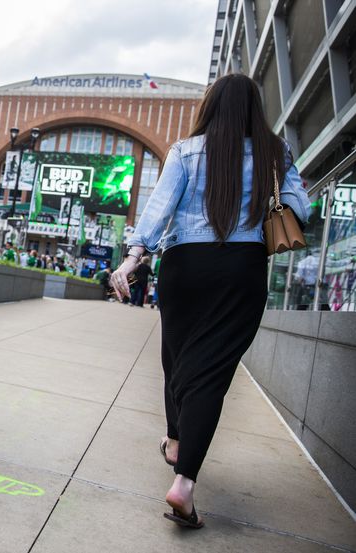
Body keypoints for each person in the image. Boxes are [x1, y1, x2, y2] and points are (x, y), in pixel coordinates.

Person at [110, 73, 311, 529]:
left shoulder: (185, 149)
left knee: (178, 357)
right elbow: (301, 209)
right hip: (242, 267)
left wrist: (132, 259)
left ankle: (179, 447)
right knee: (210, 371)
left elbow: (158, 210)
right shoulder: (275, 153)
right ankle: (183, 474)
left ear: (211, 107)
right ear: (254, 110)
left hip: (184, 265)